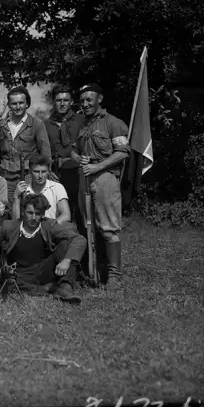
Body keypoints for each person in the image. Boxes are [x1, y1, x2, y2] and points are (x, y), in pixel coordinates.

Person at [70, 83, 131, 290]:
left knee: (108, 227)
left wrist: (98, 166)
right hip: (85, 179)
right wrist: (79, 159)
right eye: (82, 101)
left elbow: (122, 152)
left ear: (100, 99)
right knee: (88, 226)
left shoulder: (113, 123)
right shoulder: (83, 125)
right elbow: (73, 150)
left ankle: (114, 275)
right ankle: (93, 270)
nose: (85, 104)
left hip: (105, 178)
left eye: (89, 99)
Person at [0, 194, 85, 303]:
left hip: (44, 269)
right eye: (30, 213)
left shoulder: (48, 225)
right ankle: (48, 288)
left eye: (37, 214)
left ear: (42, 215)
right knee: (10, 284)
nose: (33, 218)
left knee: (65, 243)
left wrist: (66, 260)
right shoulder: (8, 226)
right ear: (23, 212)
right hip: (20, 272)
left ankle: (65, 287)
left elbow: (79, 239)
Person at [0, 86, 52, 203]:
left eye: (21, 103)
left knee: (29, 209)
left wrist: (44, 176)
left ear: (27, 104)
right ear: (9, 105)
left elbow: (45, 153)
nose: (18, 107)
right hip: (6, 178)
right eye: (14, 103)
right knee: (8, 211)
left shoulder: (36, 124)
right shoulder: (2, 126)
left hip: (29, 177)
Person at [44, 84, 86, 222]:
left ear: (72, 102)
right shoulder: (46, 124)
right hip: (56, 173)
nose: (62, 104)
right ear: (54, 102)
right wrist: (48, 169)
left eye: (66, 100)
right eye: (58, 100)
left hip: (77, 172)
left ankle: (82, 242)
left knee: (80, 211)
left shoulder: (82, 121)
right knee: (57, 211)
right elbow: (43, 149)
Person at [11, 154, 71, 225]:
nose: (40, 176)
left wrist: (50, 226)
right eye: (36, 172)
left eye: (43, 172)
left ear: (48, 171)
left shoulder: (57, 187)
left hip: (51, 229)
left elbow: (66, 215)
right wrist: (16, 197)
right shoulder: (23, 190)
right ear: (30, 171)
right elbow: (15, 221)